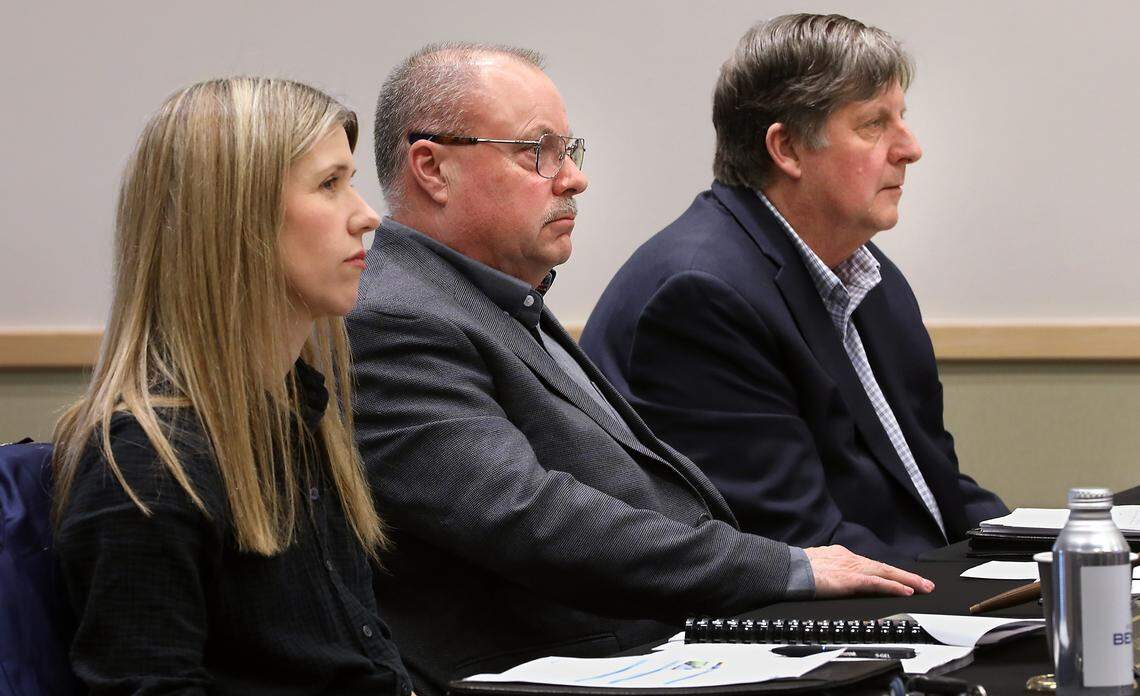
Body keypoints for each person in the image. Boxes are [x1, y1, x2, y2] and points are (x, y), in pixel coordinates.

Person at [349, 42, 933, 696]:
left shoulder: (490, 297)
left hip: (654, 651)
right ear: (432, 168)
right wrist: (784, 569)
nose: (573, 177)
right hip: (559, 675)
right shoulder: (397, 318)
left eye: (571, 151)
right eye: (538, 151)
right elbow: (531, 517)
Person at [580, 14, 1007, 565]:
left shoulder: (870, 275)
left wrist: (1044, 554)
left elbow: (936, 487)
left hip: (900, 596)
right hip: (787, 629)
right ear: (787, 150)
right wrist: (981, 592)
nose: (910, 148)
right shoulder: (700, 296)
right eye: (874, 124)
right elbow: (797, 543)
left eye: (902, 119)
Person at [51, 77, 412, 695]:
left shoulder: (299, 413)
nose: (366, 215)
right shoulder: (148, 464)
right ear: (234, 220)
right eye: (330, 185)